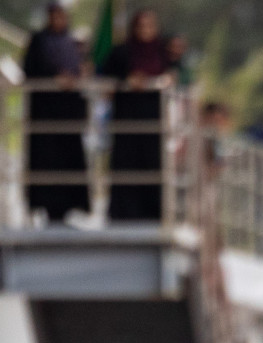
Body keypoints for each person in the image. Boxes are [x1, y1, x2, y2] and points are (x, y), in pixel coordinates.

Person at [100, 9, 181, 221]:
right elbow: (105, 78)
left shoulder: (164, 53)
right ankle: (124, 213)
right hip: (127, 122)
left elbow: (175, 74)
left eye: (149, 26)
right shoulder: (122, 52)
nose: (145, 31)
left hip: (154, 123)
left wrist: (166, 80)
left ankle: (154, 212)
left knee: (153, 167)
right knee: (126, 168)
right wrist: (128, 81)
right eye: (141, 26)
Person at [22, 3, 90, 224]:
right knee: (46, 164)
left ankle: (68, 209)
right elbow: (30, 70)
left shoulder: (71, 42)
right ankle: (47, 209)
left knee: (69, 162)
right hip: (46, 115)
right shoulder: (39, 40)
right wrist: (53, 79)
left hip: (68, 114)